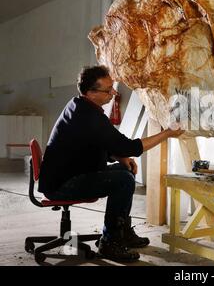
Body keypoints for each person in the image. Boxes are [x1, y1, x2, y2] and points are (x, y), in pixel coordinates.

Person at [38, 65, 184, 261]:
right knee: (124, 180)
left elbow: (97, 144)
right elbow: (129, 146)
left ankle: (121, 231)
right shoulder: (89, 116)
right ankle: (110, 243)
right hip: (62, 184)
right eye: (108, 90)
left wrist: (121, 158)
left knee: (126, 171)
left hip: (70, 173)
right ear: (90, 93)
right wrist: (167, 133)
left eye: (112, 88)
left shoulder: (80, 106)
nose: (114, 93)